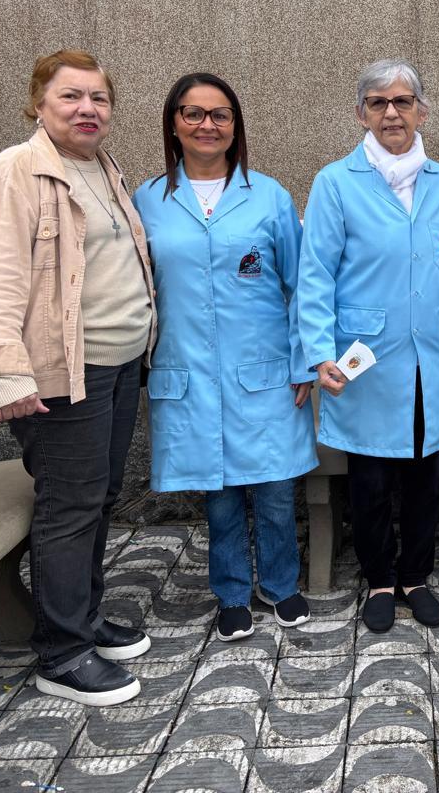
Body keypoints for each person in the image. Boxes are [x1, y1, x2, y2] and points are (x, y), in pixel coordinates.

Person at [0, 50, 156, 706]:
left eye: (99, 98)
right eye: (71, 96)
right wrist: (6, 374)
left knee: (98, 497)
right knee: (68, 508)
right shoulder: (15, 173)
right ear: (39, 103)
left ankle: (84, 620)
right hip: (65, 375)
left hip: (119, 366)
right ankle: (62, 654)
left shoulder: (101, 168)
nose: (87, 109)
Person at [133, 73, 317, 643]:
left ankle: (280, 585)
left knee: (276, 488)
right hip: (189, 368)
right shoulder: (148, 200)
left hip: (265, 368)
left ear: (236, 126)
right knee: (219, 492)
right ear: (173, 124)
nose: (206, 125)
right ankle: (232, 593)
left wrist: (305, 361)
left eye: (220, 115)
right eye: (192, 113)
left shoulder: (269, 196)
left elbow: (301, 284)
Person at [298, 59, 439, 634]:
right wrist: (319, 352)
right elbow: (315, 274)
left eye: (402, 101)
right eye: (378, 103)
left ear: (422, 111)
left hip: (430, 355)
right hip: (363, 357)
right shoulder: (335, 183)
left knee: (425, 475)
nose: (391, 113)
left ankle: (415, 576)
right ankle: (380, 581)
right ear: (361, 114)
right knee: (369, 479)